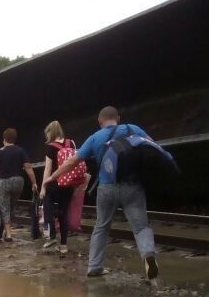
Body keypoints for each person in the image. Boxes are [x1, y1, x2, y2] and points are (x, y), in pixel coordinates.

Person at [51, 106, 159, 280]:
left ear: (100, 121)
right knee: (141, 226)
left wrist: (52, 177)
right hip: (132, 187)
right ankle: (148, 255)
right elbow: (153, 148)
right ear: (118, 117)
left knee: (101, 226)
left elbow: (72, 162)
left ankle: (95, 267)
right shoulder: (133, 129)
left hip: (106, 188)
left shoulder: (95, 137)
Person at [38, 121, 81, 257]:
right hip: (68, 184)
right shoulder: (72, 143)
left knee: (47, 207)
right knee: (64, 213)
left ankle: (51, 236)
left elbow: (48, 170)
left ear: (50, 133)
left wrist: (43, 187)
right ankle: (63, 246)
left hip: (54, 184)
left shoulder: (51, 147)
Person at [0, 128, 37, 243]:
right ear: (14, 139)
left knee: (4, 208)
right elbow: (28, 168)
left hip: (3, 182)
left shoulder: (0, 152)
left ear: (4, 139)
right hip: (18, 182)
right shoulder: (20, 151)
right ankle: (7, 230)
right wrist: (34, 183)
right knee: (12, 207)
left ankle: (8, 234)